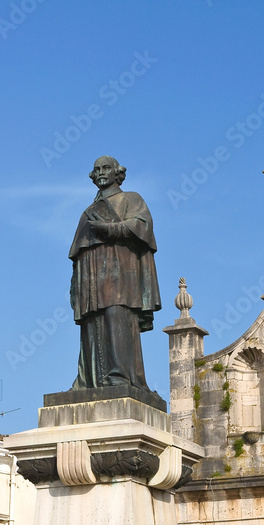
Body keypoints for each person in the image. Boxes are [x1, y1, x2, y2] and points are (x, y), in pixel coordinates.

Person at [68, 156, 160, 390]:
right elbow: (78, 252)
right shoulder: (87, 212)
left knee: (115, 316)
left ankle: (120, 375)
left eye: (106, 168)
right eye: (96, 169)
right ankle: (88, 380)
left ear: (117, 173)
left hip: (121, 272)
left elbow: (142, 227)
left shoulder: (131, 199)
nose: (100, 172)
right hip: (91, 275)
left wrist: (110, 229)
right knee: (92, 323)